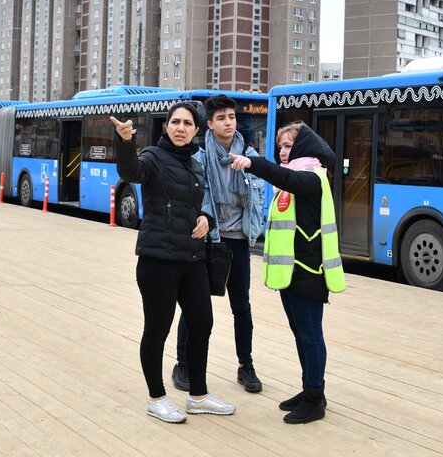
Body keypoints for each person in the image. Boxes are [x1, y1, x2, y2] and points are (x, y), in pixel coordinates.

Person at [111, 103, 235, 424]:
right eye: (175, 122)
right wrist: (125, 142)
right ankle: (157, 398)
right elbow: (131, 172)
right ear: (166, 126)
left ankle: (198, 395)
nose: (181, 128)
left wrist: (206, 217)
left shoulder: (196, 163)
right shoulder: (153, 156)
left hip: (191, 258)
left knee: (202, 324)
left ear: (196, 130)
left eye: (187, 123)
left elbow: (202, 201)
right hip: (158, 260)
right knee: (157, 330)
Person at [229, 121, 346, 425]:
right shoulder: (295, 176)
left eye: (288, 145)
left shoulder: (312, 176)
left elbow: (285, 177)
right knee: (300, 334)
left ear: (305, 146)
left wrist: (253, 163)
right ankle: (310, 390)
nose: (282, 151)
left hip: (310, 271)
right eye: (280, 146)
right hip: (292, 271)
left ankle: (314, 398)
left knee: (310, 336)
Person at [171, 95, 265, 394]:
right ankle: (182, 364)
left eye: (232, 117)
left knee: (242, 307)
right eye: (221, 118)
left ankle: (246, 365)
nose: (228, 122)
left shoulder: (249, 155)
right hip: (209, 241)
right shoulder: (198, 158)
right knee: (194, 305)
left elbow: (259, 197)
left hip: (238, 241)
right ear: (209, 124)